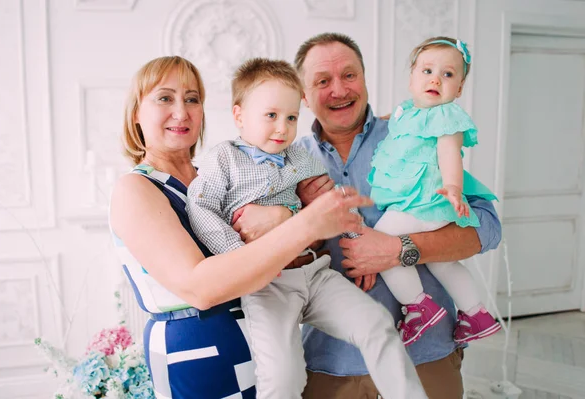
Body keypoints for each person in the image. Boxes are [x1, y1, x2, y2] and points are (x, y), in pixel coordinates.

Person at [108, 55, 373, 399]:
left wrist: (289, 215)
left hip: (261, 353)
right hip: (200, 364)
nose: (181, 111)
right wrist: (299, 222)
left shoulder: (215, 174)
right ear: (135, 113)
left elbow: (296, 255)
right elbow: (201, 287)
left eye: (192, 99)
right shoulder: (137, 189)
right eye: (164, 98)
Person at [185, 58, 426, 399]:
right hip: (268, 284)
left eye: (291, 117)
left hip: (315, 272)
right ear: (239, 116)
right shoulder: (222, 159)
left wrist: (359, 242)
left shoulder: (300, 157)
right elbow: (202, 208)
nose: (282, 128)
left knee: (377, 325)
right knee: (283, 378)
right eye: (271, 116)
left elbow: (331, 205)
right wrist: (242, 257)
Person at [291, 33, 502, 399]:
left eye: (349, 75)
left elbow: (488, 226)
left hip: (425, 359)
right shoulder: (286, 163)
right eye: (323, 81)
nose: (339, 90)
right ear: (304, 96)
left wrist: (400, 249)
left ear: (365, 78)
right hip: (328, 364)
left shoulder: (418, 131)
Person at [368, 36, 501, 347]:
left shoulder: (445, 117)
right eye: (427, 70)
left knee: (384, 244)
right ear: (412, 77)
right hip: (419, 204)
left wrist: (454, 188)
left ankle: (418, 307)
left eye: (448, 74)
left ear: (460, 88)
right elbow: (394, 124)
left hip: (426, 201)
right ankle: (475, 314)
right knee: (442, 262)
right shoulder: (405, 111)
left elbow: (449, 154)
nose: (435, 79)